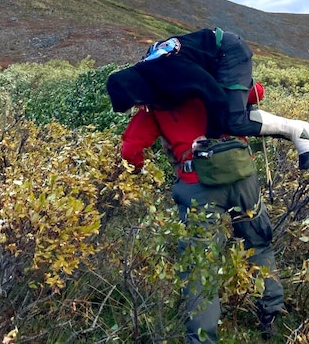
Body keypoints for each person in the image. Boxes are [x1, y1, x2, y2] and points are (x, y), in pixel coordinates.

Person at [120, 94, 285, 341]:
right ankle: (271, 315)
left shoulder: (156, 101)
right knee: (258, 244)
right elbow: (256, 91)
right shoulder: (216, 80)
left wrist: (138, 168)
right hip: (241, 175)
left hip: (197, 186)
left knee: (200, 266)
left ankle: (202, 338)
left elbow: (130, 149)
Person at [107, 28, 309, 171]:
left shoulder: (171, 71)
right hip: (214, 59)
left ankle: (299, 130)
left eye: (135, 104)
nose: (140, 108)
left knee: (231, 119)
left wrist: (209, 137)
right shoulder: (152, 74)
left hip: (228, 51)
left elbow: (212, 93)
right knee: (230, 112)